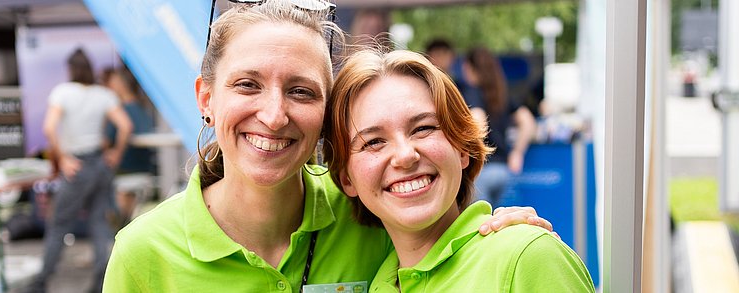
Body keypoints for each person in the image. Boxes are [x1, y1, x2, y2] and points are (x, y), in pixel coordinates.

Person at [103, 1, 553, 291]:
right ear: (206, 98)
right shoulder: (144, 253)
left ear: (325, 114)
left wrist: (501, 232)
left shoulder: (371, 213)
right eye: (247, 85)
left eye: (301, 91)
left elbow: (450, 256)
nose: (274, 115)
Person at [322, 48, 594, 292]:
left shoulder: (526, 257)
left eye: (423, 128)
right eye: (374, 142)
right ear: (347, 179)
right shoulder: (380, 281)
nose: (405, 156)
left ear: (462, 147)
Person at [35, 48, 132, 293]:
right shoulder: (103, 94)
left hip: (76, 166)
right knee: (100, 224)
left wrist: (63, 158)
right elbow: (125, 126)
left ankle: (41, 281)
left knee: (58, 224)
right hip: (100, 164)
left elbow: (49, 128)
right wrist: (116, 154)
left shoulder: (63, 92)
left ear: (71, 69)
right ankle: (103, 283)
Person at [467, 46, 537, 208]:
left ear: (470, 68)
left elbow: (479, 121)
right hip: (504, 172)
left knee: (481, 227)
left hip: (481, 173)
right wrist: (517, 153)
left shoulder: (472, 92)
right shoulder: (502, 94)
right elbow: (528, 121)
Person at [101, 66, 156, 222]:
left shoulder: (120, 111)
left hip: (124, 173)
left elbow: (123, 129)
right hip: (143, 171)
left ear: (119, 84)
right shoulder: (142, 108)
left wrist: (115, 153)